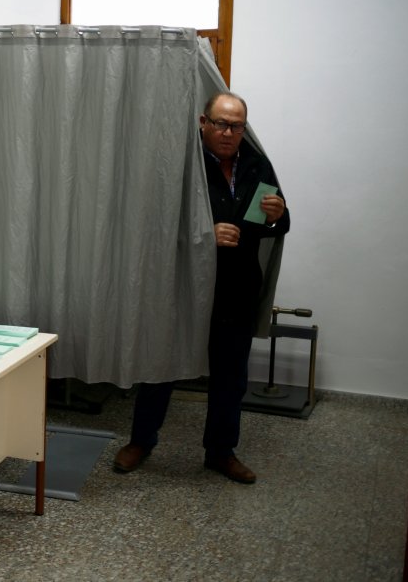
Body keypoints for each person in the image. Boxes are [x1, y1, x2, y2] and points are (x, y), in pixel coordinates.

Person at [112, 91, 290, 484]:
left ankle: (221, 452)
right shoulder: (182, 165)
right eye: (221, 124)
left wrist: (278, 216)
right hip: (182, 287)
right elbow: (153, 226)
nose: (229, 133)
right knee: (162, 367)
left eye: (237, 126)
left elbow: (279, 221)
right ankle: (141, 441)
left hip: (236, 288)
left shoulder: (257, 165)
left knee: (231, 376)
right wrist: (203, 236)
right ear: (202, 122)